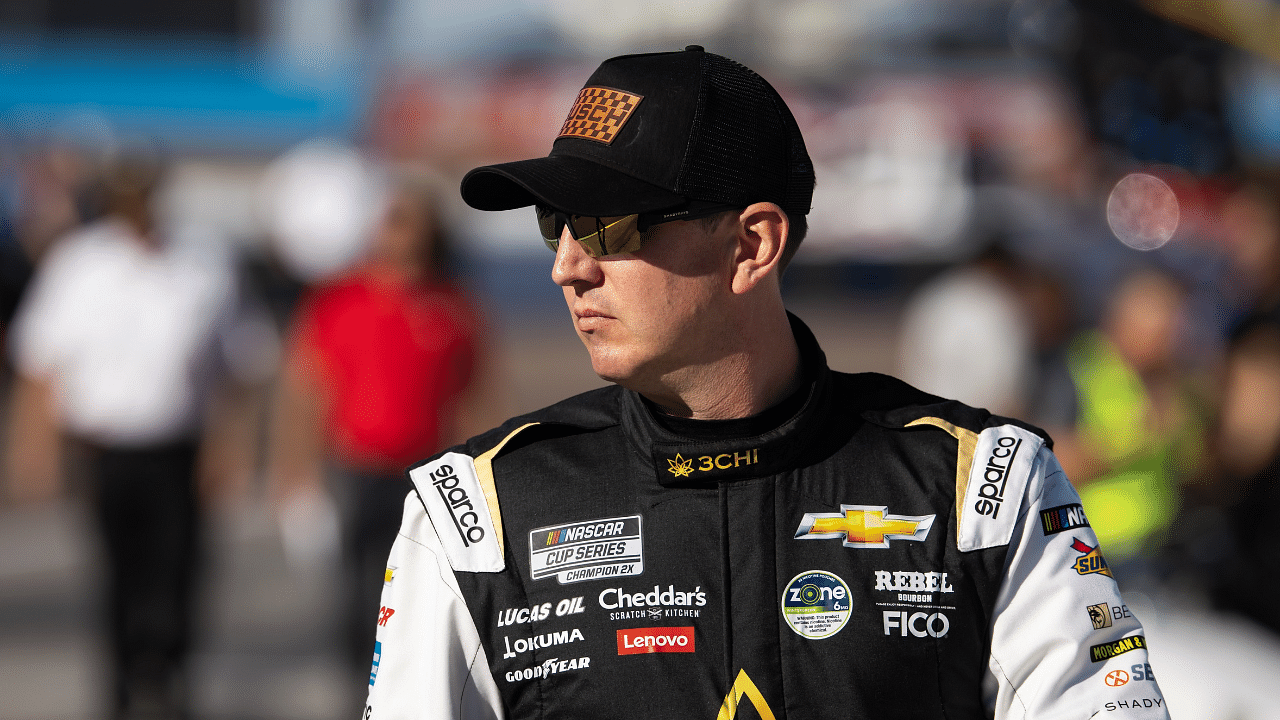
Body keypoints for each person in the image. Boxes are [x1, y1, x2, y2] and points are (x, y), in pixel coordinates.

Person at [364, 47, 1169, 719]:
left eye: (608, 225)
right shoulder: (474, 512)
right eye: (557, 225)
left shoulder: (984, 485)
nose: (567, 266)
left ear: (751, 245)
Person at [6, 156, 245, 720]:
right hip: (106, 448)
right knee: (119, 574)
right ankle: (120, 687)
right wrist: (32, 450)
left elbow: (234, 366)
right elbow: (40, 365)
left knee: (178, 572)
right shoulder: (79, 264)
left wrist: (226, 449)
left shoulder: (201, 263)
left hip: (177, 446)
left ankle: (171, 681)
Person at [269, 172, 490, 675]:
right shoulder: (340, 300)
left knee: (421, 593)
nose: (395, 233)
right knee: (356, 594)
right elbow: (304, 393)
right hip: (354, 469)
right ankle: (358, 690)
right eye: (389, 221)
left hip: (425, 476)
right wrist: (294, 474)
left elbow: (479, 398)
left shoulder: (454, 307)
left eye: (407, 222)